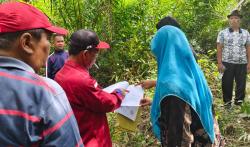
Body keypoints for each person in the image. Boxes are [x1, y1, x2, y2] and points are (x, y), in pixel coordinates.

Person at [0, 2, 83, 146]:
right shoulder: (45, 92)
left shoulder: (66, 55)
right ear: (26, 43)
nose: (53, 44)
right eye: (48, 39)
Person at [55, 29, 127, 147]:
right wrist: (118, 94)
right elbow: (105, 103)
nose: (96, 58)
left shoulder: (60, 74)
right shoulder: (81, 80)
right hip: (91, 139)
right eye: (96, 53)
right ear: (85, 54)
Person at [149, 26, 215, 146]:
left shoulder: (171, 87)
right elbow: (190, 105)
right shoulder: (193, 74)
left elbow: (179, 137)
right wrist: (154, 102)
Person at [217, 10, 250, 107]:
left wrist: (249, 63)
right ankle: (227, 102)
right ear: (229, 20)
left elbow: (248, 48)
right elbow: (219, 48)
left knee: (241, 84)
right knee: (226, 83)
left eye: (236, 18)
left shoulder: (246, 33)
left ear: (239, 20)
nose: (234, 20)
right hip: (227, 62)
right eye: (231, 18)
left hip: (242, 62)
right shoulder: (223, 33)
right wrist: (219, 63)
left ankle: (239, 102)